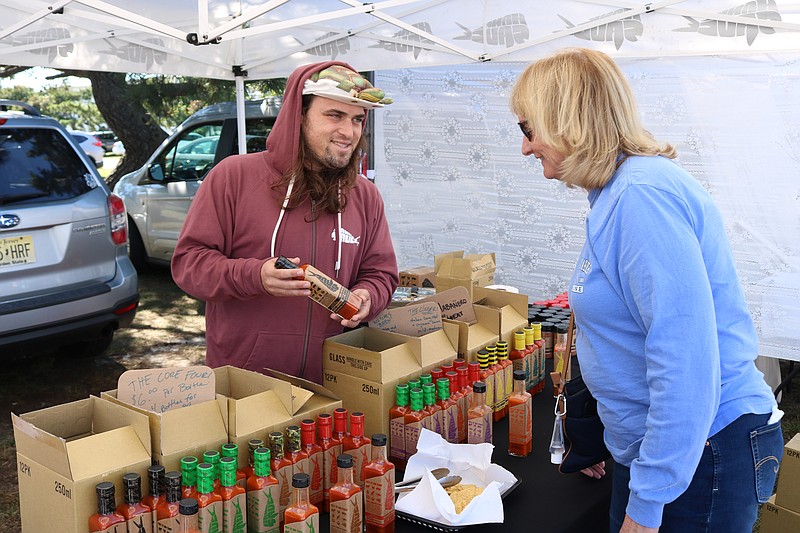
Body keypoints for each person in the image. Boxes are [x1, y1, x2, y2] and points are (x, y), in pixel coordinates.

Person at [510, 48, 783, 532]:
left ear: (565, 120)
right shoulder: (620, 191)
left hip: (699, 453)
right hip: (674, 450)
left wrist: (650, 498)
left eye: (528, 129)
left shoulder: (640, 196)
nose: (526, 147)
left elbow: (685, 357)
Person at [171, 61, 398, 384]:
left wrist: (368, 297)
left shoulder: (365, 195)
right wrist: (254, 276)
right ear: (299, 115)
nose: (348, 132)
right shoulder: (233, 177)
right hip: (245, 380)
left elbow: (381, 273)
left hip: (333, 383)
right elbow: (189, 265)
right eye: (334, 115)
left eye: (357, 119)